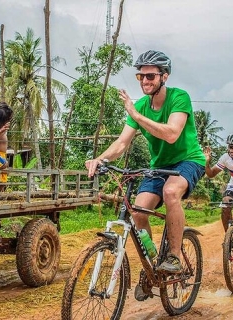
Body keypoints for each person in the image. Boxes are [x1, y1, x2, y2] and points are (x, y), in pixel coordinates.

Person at [85, 50, 205, 299]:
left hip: (188, 160)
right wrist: (100, 159)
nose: (144, 81)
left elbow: (172, 133)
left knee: (171, 192)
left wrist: (136, 115)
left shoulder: (179, 98)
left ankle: (173, 255)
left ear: (165, 76)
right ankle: (152, 265)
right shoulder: (140, 106)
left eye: (150, 75)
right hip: (158, 165)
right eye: (140, 76)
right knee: (138, 212)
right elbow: (121, 144)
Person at [204, 133, 233, 231]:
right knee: (225, 203)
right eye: (230, 147)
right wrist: (206, 162)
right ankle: (229, 236)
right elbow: (211, 174)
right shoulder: (225, 158)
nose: (231, 150)